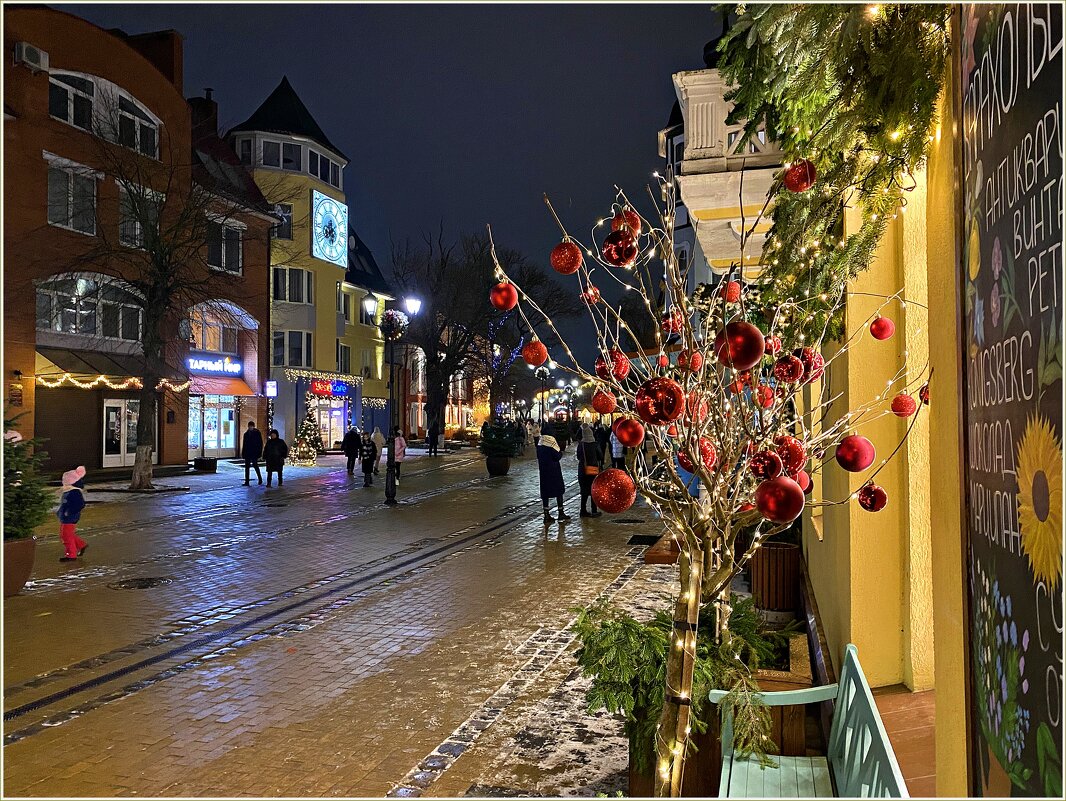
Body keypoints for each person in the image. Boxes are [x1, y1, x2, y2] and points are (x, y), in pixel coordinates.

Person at [536, 433, 571, 523]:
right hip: (554, 471)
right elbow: (557, 456)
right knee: (558, 491)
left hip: (543, 471)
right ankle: (561, 512)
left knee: (545, 492)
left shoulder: (540, 443)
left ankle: (546, 514)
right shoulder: (551, 442)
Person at [57, 465, 88, 562]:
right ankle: (81, 545)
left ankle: (71, 555)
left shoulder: (74, 492)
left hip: (70, 517)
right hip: (66, 517)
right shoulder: (68, 491)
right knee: (67, 534)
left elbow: (80, 504)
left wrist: (68, 512)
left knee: (66, 535)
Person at [576, 424, 603, 518]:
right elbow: (600, 456)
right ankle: (594, 510)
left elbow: (578, 457)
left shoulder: (581, 445)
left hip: (582, 470)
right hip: (593, 470)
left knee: (584, 491)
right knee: (593, 490)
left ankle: (582, 510)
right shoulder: (594, 444)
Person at [242, 421, 264, 485]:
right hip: (247, 453)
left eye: (251, 426)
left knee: (255, 465)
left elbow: (260, 443)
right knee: (247, 467)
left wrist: (259, 452)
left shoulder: (257, 433)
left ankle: (260, 479)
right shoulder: (246, 434)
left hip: (254, 453)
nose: (250, 427)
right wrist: (243, 453)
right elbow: (244, 444)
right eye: (249, 426)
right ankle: (247, 481)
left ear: (253, 426)